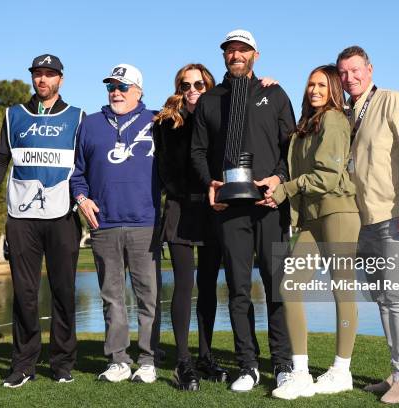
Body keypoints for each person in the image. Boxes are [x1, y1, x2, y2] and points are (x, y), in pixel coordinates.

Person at [154, 64, 278, 391]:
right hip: (183, 209)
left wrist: (263, 84)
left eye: (198, 83)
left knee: (209, 287)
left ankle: (205, 357)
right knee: (184, 285)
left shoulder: (217, 115)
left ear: (209, 86)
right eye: (185, 84)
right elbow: (167, 172)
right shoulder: (168, 122)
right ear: (178, 88)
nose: (192, 89)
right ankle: (183, 362)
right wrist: (202, 190)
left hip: (215, 210)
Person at [191, 29, 294, 392]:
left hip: (268, 205)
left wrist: (279, 179)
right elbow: (198, 151)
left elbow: (290, 146)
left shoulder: (274, 93)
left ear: (255, 54)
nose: (236, 55)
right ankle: (248, 366)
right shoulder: (210, 100)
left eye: (243, 50)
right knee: (238, 289)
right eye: (231, 50)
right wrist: (210, 183)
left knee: (276, 287)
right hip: (229, 208)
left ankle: (283, 364)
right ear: (224, 56)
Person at [0, 54, 83, 388]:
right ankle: (23, 364)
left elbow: (85, 167)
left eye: (49, 74)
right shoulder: (14, 116)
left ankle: (63, 363)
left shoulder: (77, 118)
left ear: (60, 80)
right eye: (38, 74)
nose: (43, 79)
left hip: (63, 216)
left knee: (64, 292)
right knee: (25, 294)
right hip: (22, 219)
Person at [337, 46, 399, 404]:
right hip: (361, 221)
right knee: (381, 297)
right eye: (343, 73)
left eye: (356, 70)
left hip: (394, 216)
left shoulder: (393, 102)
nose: (350, 78)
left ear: (370, 69)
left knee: (396, 296)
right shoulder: (346, 112)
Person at [267, 65, 361, 399]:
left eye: (321, 84)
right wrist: (269, 86)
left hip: (338, 211)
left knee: (342, 290)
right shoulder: (308, 125)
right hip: (310, 217)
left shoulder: (334, 119)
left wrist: (285, 190)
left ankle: (341, 370)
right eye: (310, 84)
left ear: (334, 88)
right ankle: (301, 372)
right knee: (290, 286)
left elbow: (328, 176)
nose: (314, 90)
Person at [70, 64, 161, 385]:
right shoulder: (91, 125)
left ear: (138, 90)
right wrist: (82, 199)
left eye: (123, 86)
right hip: (104, 224)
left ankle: (148, 360)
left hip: (145, 223)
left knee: (147, 296)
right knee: (112, 297)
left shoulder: (158, 121)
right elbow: (77, 173)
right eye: (111, 86)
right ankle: (119, 360)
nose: (116, 92)